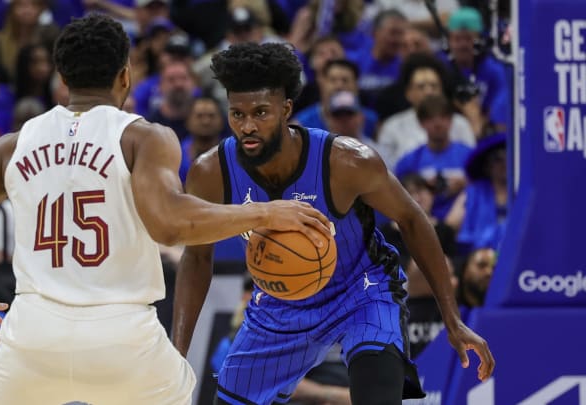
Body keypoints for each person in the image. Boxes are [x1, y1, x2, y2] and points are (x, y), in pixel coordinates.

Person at [0, 14, 331, 405]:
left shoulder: (11, 146)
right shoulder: (143, 138)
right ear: (125, 74)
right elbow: (171, 226)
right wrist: (264, 213)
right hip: (122, 337)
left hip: (33, 334)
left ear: (61, 79)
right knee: (180, 384)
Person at [172, 42, 495, 405]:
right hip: (281, 301)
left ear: (286, 110)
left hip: (361, 289)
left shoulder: (347, 161)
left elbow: (411, 218)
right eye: (237, 114)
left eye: (261, 112)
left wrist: (451, 317)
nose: (248, 126)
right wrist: (177, 351)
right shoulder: (210, 172)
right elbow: (197, 257)